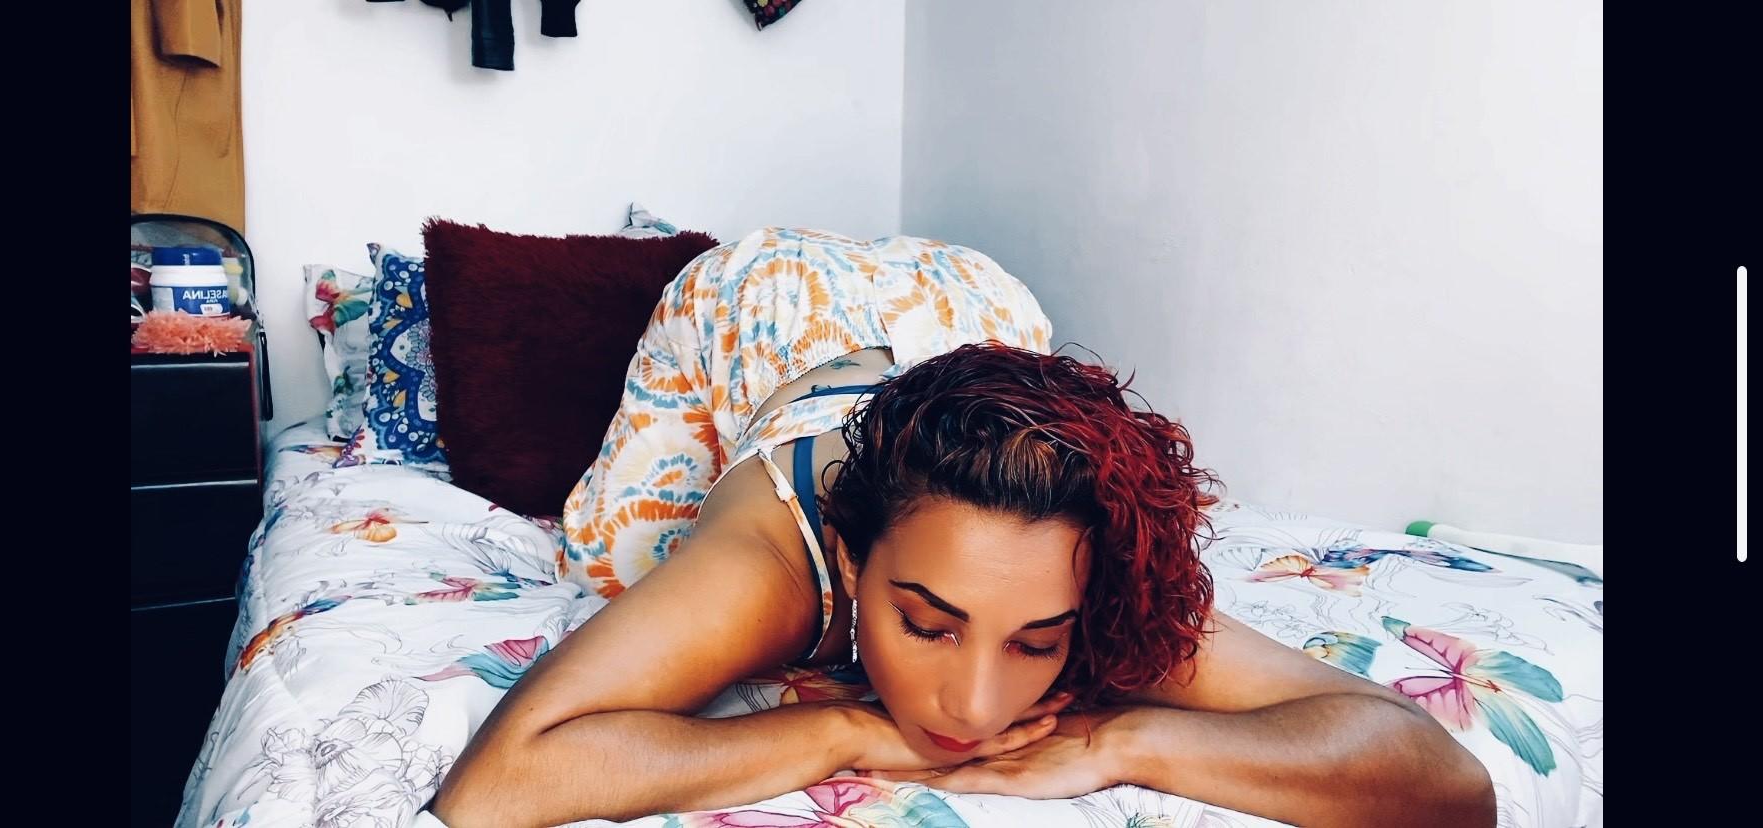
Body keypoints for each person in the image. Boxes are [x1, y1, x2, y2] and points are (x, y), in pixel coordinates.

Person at [431, 227, 1493, 827]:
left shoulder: (1073, 546)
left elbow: (1444, 783)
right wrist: (844, 730)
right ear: (851, 557)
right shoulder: (773, 563)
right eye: (928, 624)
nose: (976, 709)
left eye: (1036, 642)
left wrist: (1124, 740)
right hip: (753, 297)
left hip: (969, 300)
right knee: (606, 547)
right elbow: (498, 787)